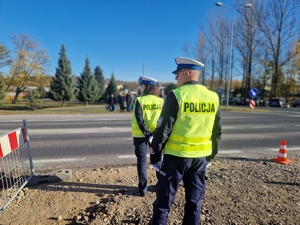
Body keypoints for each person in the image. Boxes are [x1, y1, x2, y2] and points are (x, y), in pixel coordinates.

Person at [149, 57, 222, 225]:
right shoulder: (213, 97)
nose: (176, 78)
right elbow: (217, 132)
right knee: (194, 203)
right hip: (200, 160)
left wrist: (155, 158)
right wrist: (210, 157)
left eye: (178, 74)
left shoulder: (177, 95)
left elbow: (162, 130)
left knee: (163, 204)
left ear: (187, 73)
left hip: (175, 158)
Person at [131, 75, 163, 197]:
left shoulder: (140, 100)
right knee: (158, 160)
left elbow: (139, 120)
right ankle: (160, 186)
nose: (141, 87)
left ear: (146, 86)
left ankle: (143, 189)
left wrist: (147, 134)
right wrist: (154, 134)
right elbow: (163, 119)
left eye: (142, 85)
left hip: (140, 136)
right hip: (156, 136)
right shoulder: (161, 101)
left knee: (142, 161)